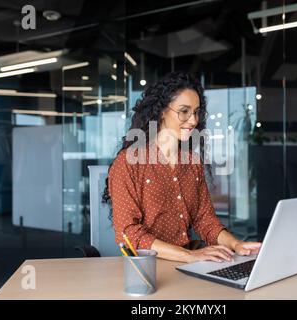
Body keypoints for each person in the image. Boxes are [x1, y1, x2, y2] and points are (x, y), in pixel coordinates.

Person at [103, 71, 261, 263]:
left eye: (196, 112)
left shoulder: (191, 162)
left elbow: (205, 220)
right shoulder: (128, 162)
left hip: (188, 263)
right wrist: (189, 255)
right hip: (147, 268)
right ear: (161, 110)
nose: (193, 120)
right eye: (184, 111)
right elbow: (127, 232)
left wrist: (236, 244)